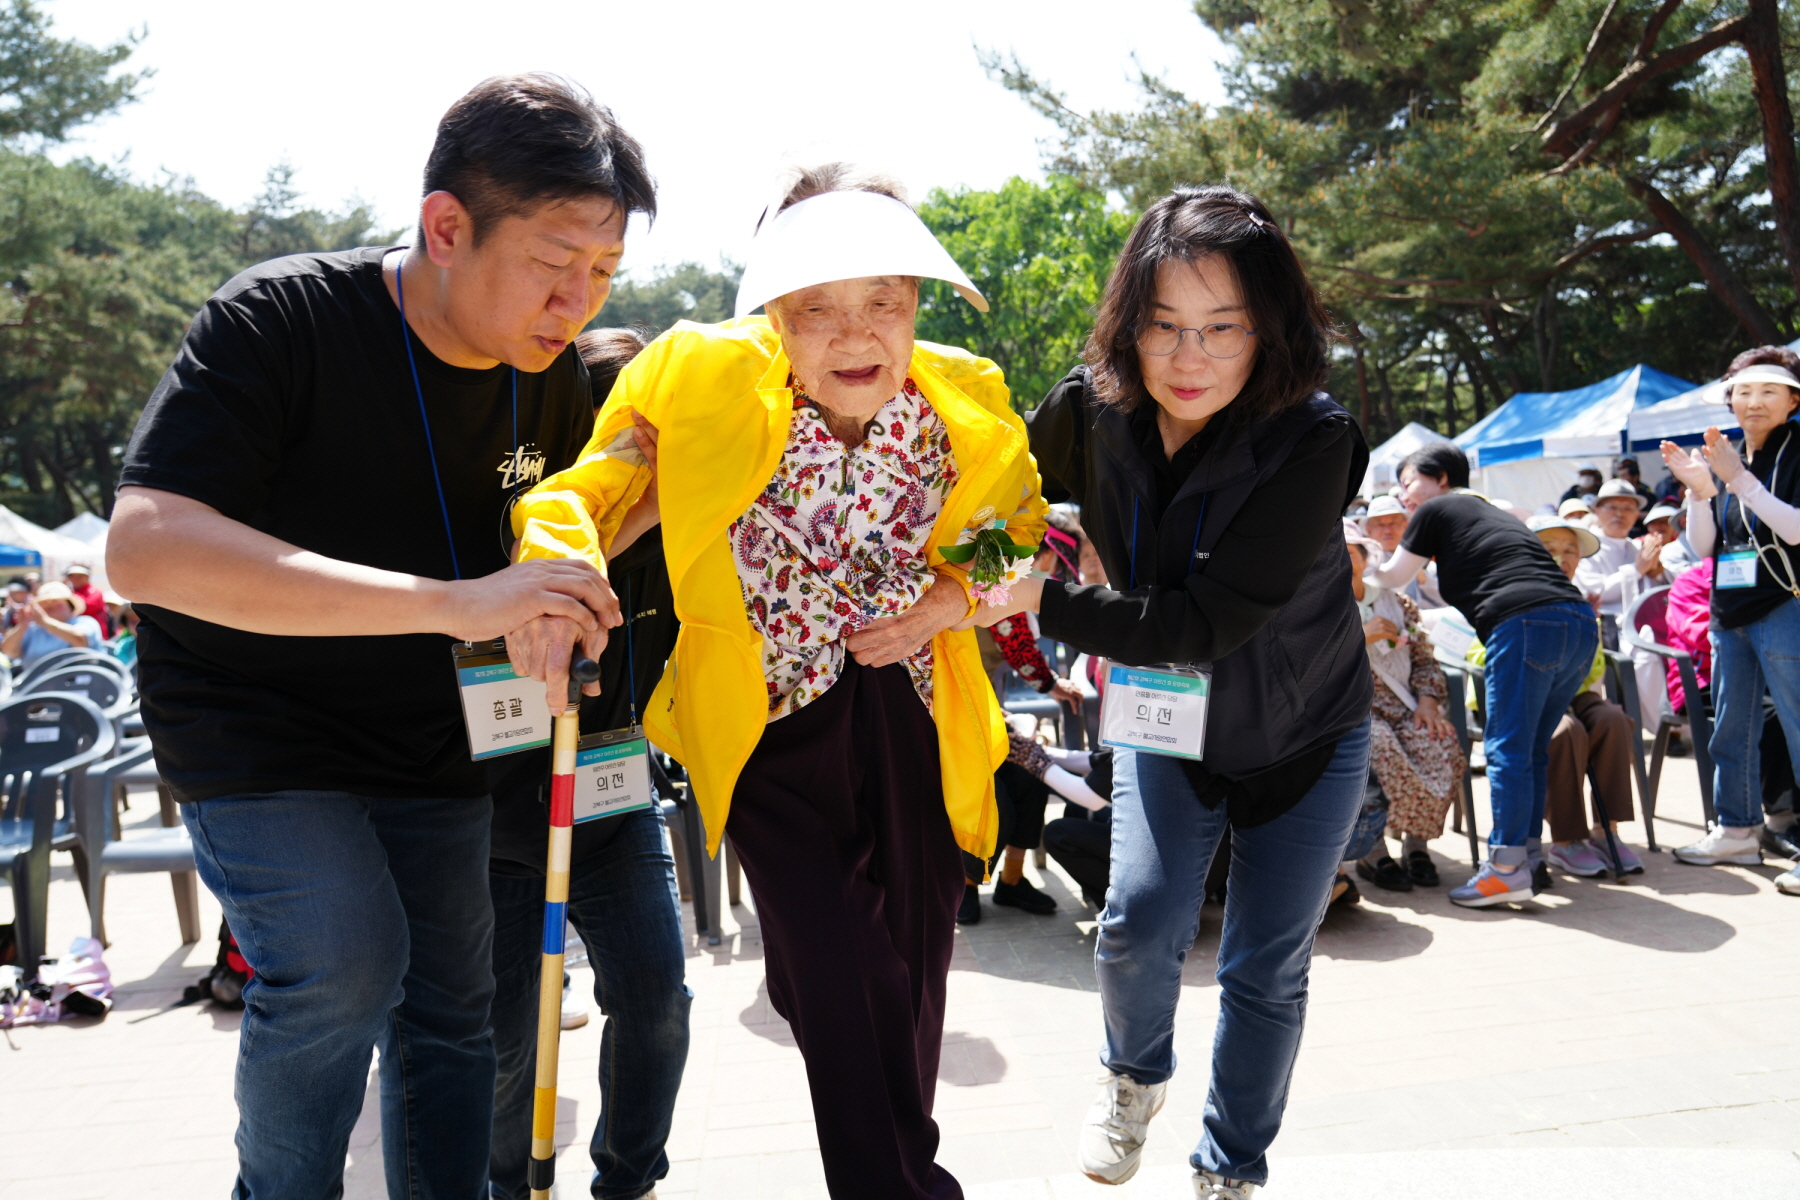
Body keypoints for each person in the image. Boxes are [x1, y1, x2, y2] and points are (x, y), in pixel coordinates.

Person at [106, 76, 652, 1198]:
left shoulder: (546, 385)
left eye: (603, 275)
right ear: (446, 226)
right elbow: (145, 549)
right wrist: (458, 602)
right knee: (346, 964)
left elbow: (551, 542)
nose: (579, 305)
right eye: (556, 265)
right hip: (253, 723)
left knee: (460, 1004)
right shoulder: (281, 319)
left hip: (430, 737)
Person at [512, 163, 1049, 1200]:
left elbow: (1018, 541)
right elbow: (585, 493)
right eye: (818, 309)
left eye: (883, 303)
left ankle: (867, 1095)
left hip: (917, 713)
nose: (856, 337)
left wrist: (949, 603)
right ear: (772, 306)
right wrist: (565, 566)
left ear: (917, 303)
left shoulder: (966, 394)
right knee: (852, 973)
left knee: (911, 967)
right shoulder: (697, 379)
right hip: (768, 724)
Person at [984, 185, 1373, 1198]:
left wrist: (1047, 600)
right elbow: (1002, 493)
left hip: (1307, 733)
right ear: (1128, 326)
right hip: (1166, 718)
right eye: (1162, 329)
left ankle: (1230, 1168)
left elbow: (1206, 622)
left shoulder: (1314, 440)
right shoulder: (1090, 409)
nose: (1187, 360)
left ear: (1268, 329)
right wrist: (978, 554)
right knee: (1138, 919)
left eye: (1220, 330)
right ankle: (1130, 1076)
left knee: (1262, 967)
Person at [486, 325, 691, 1200]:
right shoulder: (524, 519)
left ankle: (630, 1178)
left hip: (613, 796)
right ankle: (504, 1184)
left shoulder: (686, 533)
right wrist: (612, 524)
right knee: (504, 1034)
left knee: (656, 1001)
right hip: (495, 811)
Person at [1369, 443, 1596, 907]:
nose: (1404, 493)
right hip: (1576, 625)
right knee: (1531, 749)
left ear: (1442, 480)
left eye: (1409, 481)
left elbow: (1391, 578)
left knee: (1508, 749)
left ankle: (1506, 870)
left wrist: (1351, 567)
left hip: (1525, 623)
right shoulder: (1492, 514)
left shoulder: (1437, 510)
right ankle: (1528, 859)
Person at [1659, 348, 1800, 890]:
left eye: (1768, 391)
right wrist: (1701, 488)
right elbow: (1703, 548)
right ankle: (1737, 830)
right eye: (1743, 392)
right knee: (1732, 727)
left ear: (1793, 400)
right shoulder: (1732, 454)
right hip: (1731, 609)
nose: (1754, 402)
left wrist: (1737, 480)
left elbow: (1793, 530)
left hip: (1785, 604)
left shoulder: (1792, 452)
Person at [1342, 521, 1463, 892]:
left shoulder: (1397, 603)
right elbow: (1313, 665)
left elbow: (1425, 659)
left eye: (1348, 554)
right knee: (1379, 749)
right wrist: (1362, 637)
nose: (1339, 562)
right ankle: (1372, 850)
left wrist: (1427, 703)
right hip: (1350, 709)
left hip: (1404, 704)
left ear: (1364, 559)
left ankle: (1416, 843)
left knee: (1441, 745)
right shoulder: (1318, 606)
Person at [1526, 516, 1646, 877]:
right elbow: (1480, 654)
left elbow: (1592, 670)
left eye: (1569, 551)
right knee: (1566, 731)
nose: (1561, 559)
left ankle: (1606, 831)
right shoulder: (1510, 588)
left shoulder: (1579, 600)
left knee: (1613, 720)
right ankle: (1566, 841)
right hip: (1528, 695)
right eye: (1549, 551)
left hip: (1573, 689)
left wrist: (1582, 630)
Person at [1576, 477, 1669, 649]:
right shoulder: (1587, 548)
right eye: (1612, 508)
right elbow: (1594, 593)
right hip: (1610, 634)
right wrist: (1636, 570)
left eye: (1627, 508)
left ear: (1636, 515)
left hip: (1648, 627)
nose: (1620, 514)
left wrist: (1656, 570)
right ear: (1597, 511)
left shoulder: (1637, 547)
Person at [1358, 493, 1442, 608]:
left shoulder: (1424, 560)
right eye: (1380, 525)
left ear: (1405, 525)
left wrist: (1422, 577)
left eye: (1393, 523)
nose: (1387, 530)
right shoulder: (1364, 565)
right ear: (1369, 530)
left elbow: (1445, 599)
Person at [0, 580, 103, 668]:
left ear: (70, 606)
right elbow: (9, 651)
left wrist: (46, 622)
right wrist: (21, 627)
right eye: (45, 603)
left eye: (57, 602)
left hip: (80, 685)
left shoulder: (85, 622)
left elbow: (80, 641)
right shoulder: (33, 629)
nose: (50, 606)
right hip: (35, 687)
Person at [64, 563, 108, 635]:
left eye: (80, 576)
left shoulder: (96, 592)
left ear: (87, 577)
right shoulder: (69, 592)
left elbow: (85, 607)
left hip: (95, 633)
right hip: (74, 633)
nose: (76, 579)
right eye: (72, 576)